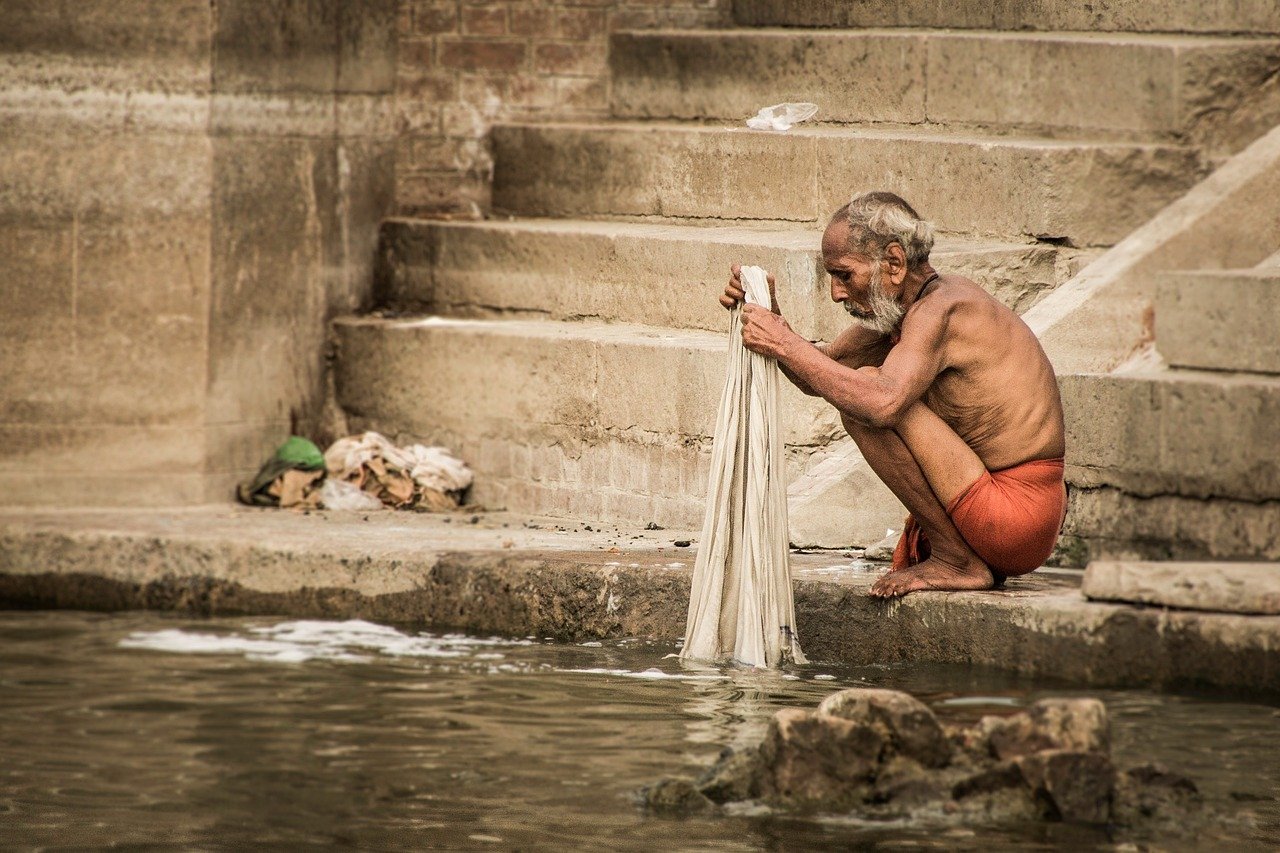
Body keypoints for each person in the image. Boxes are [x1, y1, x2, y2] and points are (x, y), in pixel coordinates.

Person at [720, 191, 1066, 597]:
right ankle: (957, 553)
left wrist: (782, 342)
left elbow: (880, 403)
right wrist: (772, 318)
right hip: (989, 505)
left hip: (1015, 515)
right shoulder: (903, 311)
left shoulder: (944, 309)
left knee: (871, 400)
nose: (836, 293)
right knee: (860, 390)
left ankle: (956, 559)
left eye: (844, 275)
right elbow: (821, 374)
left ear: (894, 263)